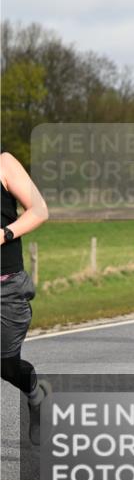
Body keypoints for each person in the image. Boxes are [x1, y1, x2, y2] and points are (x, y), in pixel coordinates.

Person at [1, 151, 51, 446]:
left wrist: (4, 234)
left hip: (5, 287)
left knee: (6, 366)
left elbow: (39, 210)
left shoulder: (4, 162)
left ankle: (35, 393)